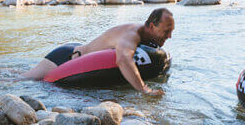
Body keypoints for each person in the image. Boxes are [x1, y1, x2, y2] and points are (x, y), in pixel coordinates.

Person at [21, 9, 175, 94]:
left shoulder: (148, 40)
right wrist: (144, 90)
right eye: (166, 31)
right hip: (66, 57)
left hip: (80, 51)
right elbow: (123, 60)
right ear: (152, 26)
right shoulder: (132, 35)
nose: (169, 36)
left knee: (23, 76)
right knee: (22, 81)